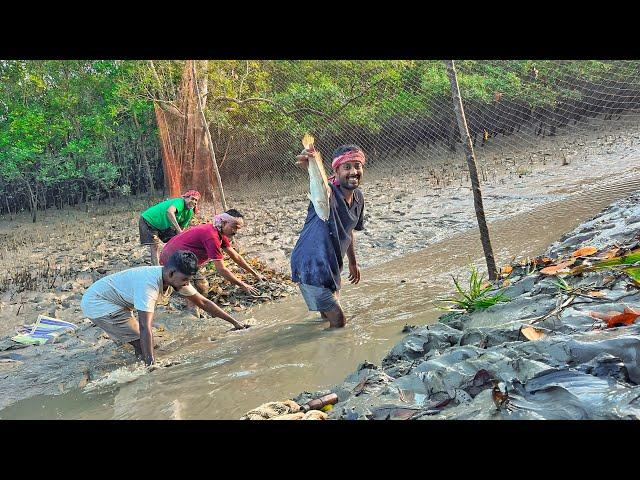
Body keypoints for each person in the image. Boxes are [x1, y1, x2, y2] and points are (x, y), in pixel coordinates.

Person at [80, 250, 249, 366]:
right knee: (142, 342)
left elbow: (204, 303)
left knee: (150, 343)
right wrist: (152, 366)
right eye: (185, 280)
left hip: (115, 300)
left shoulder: (174, 278)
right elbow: (146, 326)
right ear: (171, 274)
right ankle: (145, 367)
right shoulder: (149, 286)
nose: (187, 285)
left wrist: (235, 323)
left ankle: (139, 354)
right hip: (98, 304)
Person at [290, 144, 366, 328]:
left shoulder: (358, 198)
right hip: (311, 265)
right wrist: (310, 164)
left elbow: (349, 232)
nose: (353, 172)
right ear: (337, 170)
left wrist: (352, 262)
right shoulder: (327, 194)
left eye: (357, 166)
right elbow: (320, 185)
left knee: (326, 316)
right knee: (339, 321)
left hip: (331, 265)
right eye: (347, 167)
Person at [159, 209, 264, 296]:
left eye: (238, 229)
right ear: (223, 223)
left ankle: (172, 294)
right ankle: (193, 310)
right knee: (201, 286)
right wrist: (243, 285)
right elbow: (221, 269)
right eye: (234, 227)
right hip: (173, 259)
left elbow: (235, 256)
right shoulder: (212, 237)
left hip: (178, 256)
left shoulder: (218, 232)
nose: (235, 231)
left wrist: (255, 274)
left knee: (177, 286)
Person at [139, 190, 200, 265]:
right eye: (192, 198)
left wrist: (181, 237)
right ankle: (156, 268)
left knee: (176, 241)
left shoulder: (189, 213)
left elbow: (181, 230)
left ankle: (173, 262)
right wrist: (179, 230)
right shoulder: (180, 202)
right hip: (149, 220)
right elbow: (169, 212)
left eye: (196, 200)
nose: (194, 202)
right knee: (155, 246)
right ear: (186, 198)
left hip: (163, 225)